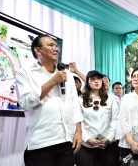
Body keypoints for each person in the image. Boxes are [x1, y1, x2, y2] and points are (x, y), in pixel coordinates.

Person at [16, 34, 82, 166]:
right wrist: (52, 81)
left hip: (65, 140)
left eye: (56, 46)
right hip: (41, 142)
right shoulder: (26, 73)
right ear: (37, 50)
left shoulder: (67, 74)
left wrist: (79, 131)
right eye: (51, 45)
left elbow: (74, 103)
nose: (56, 49)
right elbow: (25, 102)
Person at [75, 70, 119, 166]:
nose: (96, 81)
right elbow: (79, 121)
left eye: (98, 79)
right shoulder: (80, 100)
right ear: (88, 82)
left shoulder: (111, 99)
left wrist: (108, 138)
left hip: (107, 144)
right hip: (86, 145)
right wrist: (88, 139)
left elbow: (115, 120)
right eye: (93, 79)